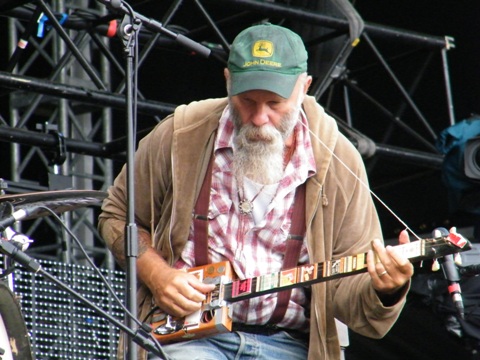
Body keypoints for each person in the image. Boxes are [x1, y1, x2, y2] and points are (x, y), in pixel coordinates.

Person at [98, 23, 414, 360]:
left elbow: (347, 296)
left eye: (275, 103)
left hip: (290, 345)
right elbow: (117, 215)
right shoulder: (182, 133)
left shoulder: (338, 160)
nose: (260, 118)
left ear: (304, 87)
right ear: (227, 81)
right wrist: (158, 274)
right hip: (188, 339)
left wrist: (386, 289)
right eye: (247, 100)